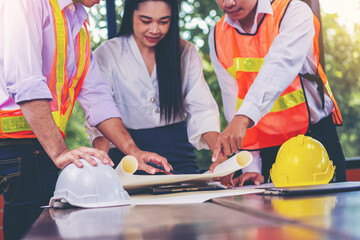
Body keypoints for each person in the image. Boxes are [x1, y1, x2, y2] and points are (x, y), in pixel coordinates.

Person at [0, 0, 172, 239]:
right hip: (15, 147)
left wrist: (133, 150)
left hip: (39, 148)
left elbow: (97, 96)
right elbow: (24, 80)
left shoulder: (76, 22)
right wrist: (59, 151)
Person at [208, 0, 347, 186]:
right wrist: (251, 167)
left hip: (315, 138)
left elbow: (279, 66)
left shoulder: (294, 12)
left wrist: (242, 118)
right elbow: (234, 102)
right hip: (266, 149)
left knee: (328, 212)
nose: (228, 2)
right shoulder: (217, 36)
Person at [85, 0, 221, 174]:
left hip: (179, 158)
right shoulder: (107, 54)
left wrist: (220, 157)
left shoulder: (185, 52)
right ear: (131, 15)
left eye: (164, 21)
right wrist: (101, 164)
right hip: (128, 160)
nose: (155, 30)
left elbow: (202, 110)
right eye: (146, 21)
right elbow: (100, 114)